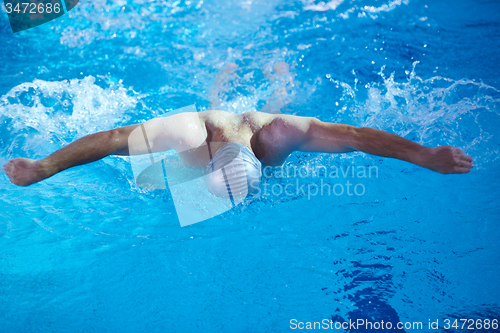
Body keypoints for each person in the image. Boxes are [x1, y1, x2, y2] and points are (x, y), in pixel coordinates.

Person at [3, 110, 473, 190]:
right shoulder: (186, 133)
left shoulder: (278, 133)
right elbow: (109, 140)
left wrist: (423, 155)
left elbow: (356, 136)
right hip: (193, 141)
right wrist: (45, 166)